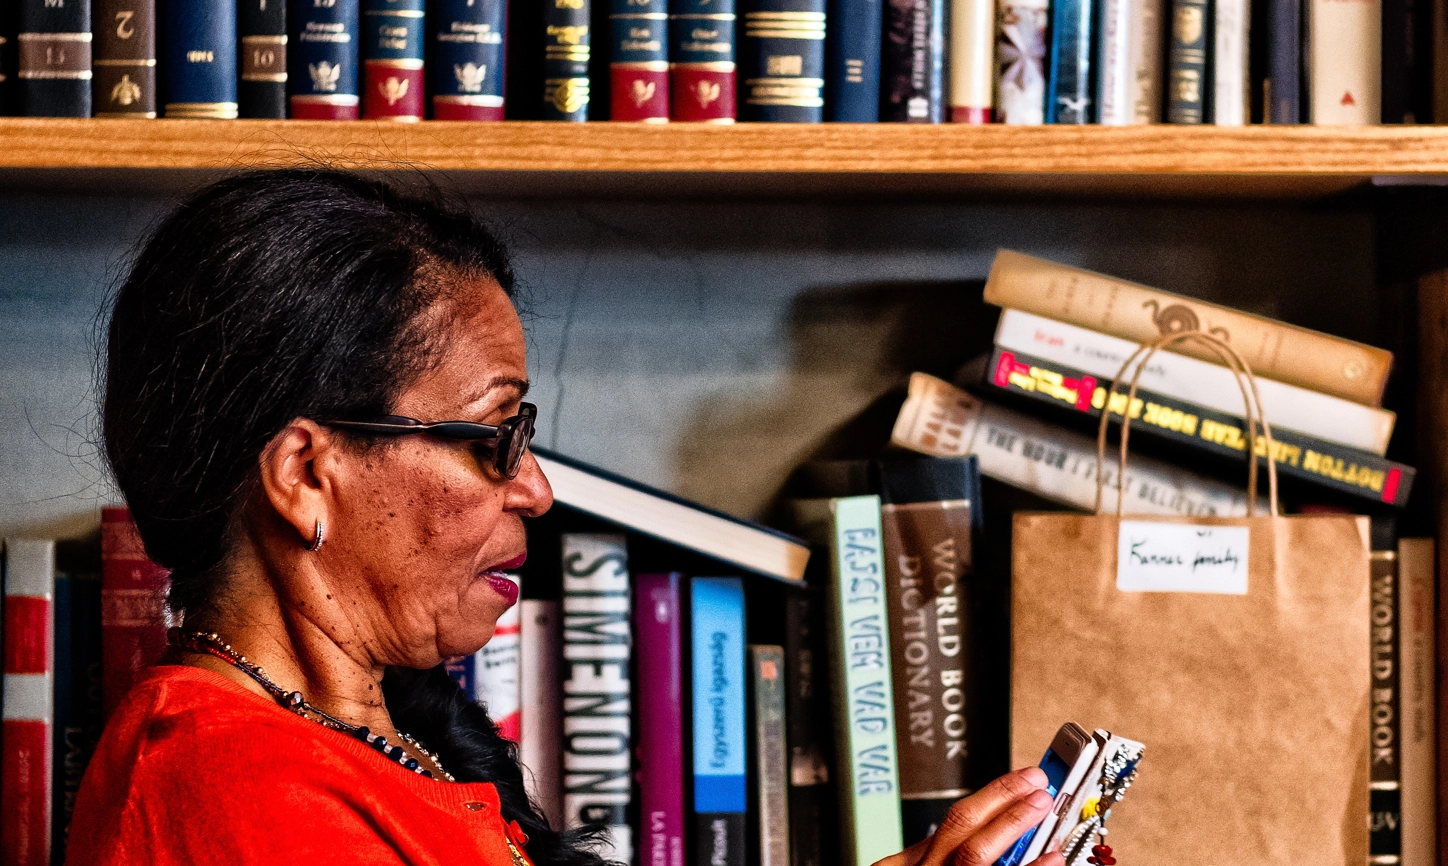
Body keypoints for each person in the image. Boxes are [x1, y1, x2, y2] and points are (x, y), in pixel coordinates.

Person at [68, 169, 1064, 866]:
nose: (534, 486)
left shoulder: (367, 735)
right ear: (303, 472)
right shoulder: (231, 786)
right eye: (492, 435)